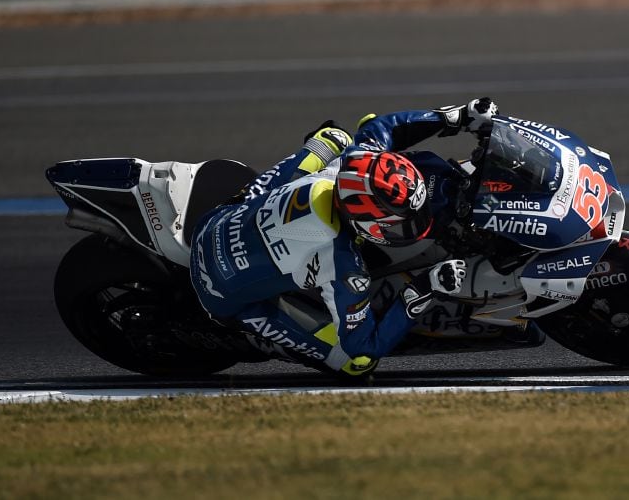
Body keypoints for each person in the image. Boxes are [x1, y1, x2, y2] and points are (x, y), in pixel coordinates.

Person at [189, 97, 499, 375]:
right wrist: (425, 287)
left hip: (215, 222)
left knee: (333, 138)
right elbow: (362, 346)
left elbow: (383, 126)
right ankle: (261, 341)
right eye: (396, 224)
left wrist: (453, 117)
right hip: (220, 293)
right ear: (364, 220)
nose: (405, 228)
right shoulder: (343, 264)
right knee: (355, 365)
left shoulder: (349, 165)